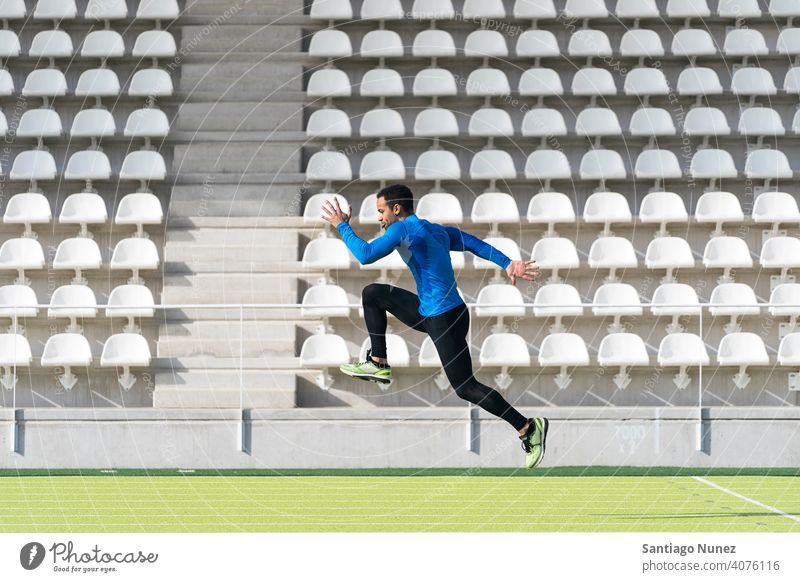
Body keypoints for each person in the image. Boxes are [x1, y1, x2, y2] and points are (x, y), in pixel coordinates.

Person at [321, 184, 549, 468]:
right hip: (434, 311)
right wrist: (507, 263)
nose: (379, 218)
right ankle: (378, 361)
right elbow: (472, 243)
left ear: (396, 209)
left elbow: (366, 255)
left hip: (443, 317)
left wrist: (342, 226)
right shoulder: (436, 229)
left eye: (381, 211)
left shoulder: (401, 229)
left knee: (466, 387)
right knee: (373, 294)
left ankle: (527, 427)